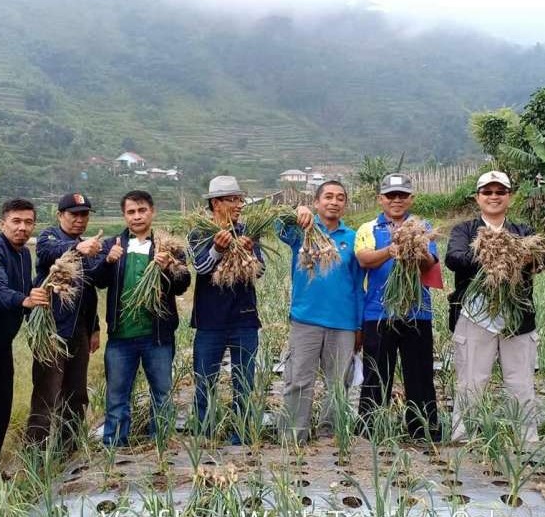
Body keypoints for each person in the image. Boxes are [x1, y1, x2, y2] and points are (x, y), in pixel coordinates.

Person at [445, 171, 539, 443]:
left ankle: (527, 439)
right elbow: (454, 258)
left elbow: (539, 262)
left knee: (521, 382)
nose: (494, 197)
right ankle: (462, 437)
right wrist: (494, 253)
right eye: (488, 192)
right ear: (478, 197)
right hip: (475, 316)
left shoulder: (523, 231)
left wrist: (519, 256)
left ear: (509, 197)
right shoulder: (465, 230)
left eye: (500, 192)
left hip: (517, 318)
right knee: (471, 382)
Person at [96, 191, 191, 447]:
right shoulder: (113, 244)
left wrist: (168, 268)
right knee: (117, 397)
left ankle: (160, 445)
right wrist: (107, 261)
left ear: (152, 212)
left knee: (161, 394)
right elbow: (97, 280)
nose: (137, 216)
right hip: (120, 337)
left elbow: (183, 284)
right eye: (131, 212)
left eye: (141, 210)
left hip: (157, 336)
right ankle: (115, 449)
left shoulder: (168, 246)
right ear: (124, 215)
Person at [354, 173, 443, 441]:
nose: (396, 200)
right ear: (381, 199)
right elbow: (363, 260)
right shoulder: (368, 228)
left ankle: (423, 431)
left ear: (411, 199)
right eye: (391, 195)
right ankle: (371, 429)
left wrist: (417, 248)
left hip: (417, 312)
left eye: (402, 195)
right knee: (376, 375)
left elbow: (430, 264)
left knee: (420, 374)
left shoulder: (423, 226)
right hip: (378, 313)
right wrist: (391, 250)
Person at [277, 180, 364, 444]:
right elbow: (278, 226)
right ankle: (293, 436)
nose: (334, 202)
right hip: (306, 319)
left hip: (343, 323)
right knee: (298, 380)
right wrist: (297, 211)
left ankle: (330, 434)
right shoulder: (302, 231)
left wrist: (359, 326)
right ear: (317, 202)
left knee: (338, 384)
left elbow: (359, 284)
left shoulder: (352, 238)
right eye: (328, 197)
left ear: (345, 205)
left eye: (340, 198)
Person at [0, 199, 48, 492]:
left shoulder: (23, 253)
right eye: (16, 221)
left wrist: (39, 299)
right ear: (3, 224)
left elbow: (25, 289)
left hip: (3, 345)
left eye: (28, 222)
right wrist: (25, 300)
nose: (22, 227)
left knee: (3, 408)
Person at [188, 176, 264, 444]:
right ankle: (204, 435)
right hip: (209, 322)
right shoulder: (198, 232)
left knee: (244, 383)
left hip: (244, 319)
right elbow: (201, 268)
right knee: (204, 383)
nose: (239, 204)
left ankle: (240, 436)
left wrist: (249, 254)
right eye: (232, 199)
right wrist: (218, 250)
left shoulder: (249, 230)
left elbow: (261, 271)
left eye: (240, 199)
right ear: (216, 203)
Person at [25, 192, 104, 448]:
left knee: (77, 394)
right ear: (61, 216)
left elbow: (90, 291)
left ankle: (67, 451)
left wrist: (94, 328)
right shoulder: (50, 237)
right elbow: (48, 252)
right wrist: (77, 248)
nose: (80, 220)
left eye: (84, 215)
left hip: (78, 330)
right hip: (51, 329)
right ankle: (36, 455)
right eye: (74, 214)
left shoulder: (87, 246)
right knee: (47, 394)